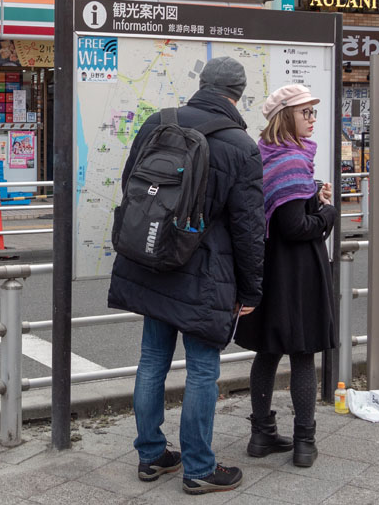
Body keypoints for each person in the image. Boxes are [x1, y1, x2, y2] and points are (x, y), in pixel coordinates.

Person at [108, 56, 264, 495]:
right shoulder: (240, 145)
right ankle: (198, 467)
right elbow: (249, 227)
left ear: (202, 84)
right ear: (237, 93)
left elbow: (131, 185)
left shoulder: (159, 123)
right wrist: (252, 288)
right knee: (201, 369)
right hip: (206, 274)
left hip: (154, 257)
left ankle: (152, 456)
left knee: (153, 359)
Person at [234, 83, 338, 468]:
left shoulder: (263, 155)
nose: (312, 119)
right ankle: (304, 443)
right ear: (285, 118)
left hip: (267, 268)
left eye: (313, 112)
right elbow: (295, 226)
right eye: (305, 112)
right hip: (298, 273)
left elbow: (277, 212)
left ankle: (261, 434)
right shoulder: (293, 160)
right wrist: (327, 212)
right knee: (302, 355)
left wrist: (311, 196)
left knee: (267, 351)